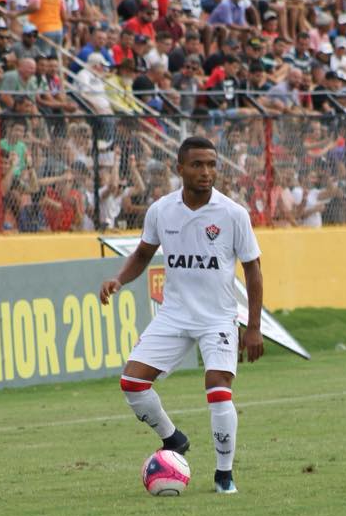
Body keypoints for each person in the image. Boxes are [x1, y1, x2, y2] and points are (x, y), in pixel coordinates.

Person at [99, 136, 264, 495]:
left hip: (218, 318)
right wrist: (119, 279)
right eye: (197, 165)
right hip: (173, 315)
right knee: (132, 383)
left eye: (211, 165)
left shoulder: (233, 214)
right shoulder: (162, 210)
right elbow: (143, 254)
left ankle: (224, 475)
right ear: (180, 169)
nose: (206, 172)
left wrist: (253, 327)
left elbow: (253, 269)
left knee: (218, 391)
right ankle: (173, 438)